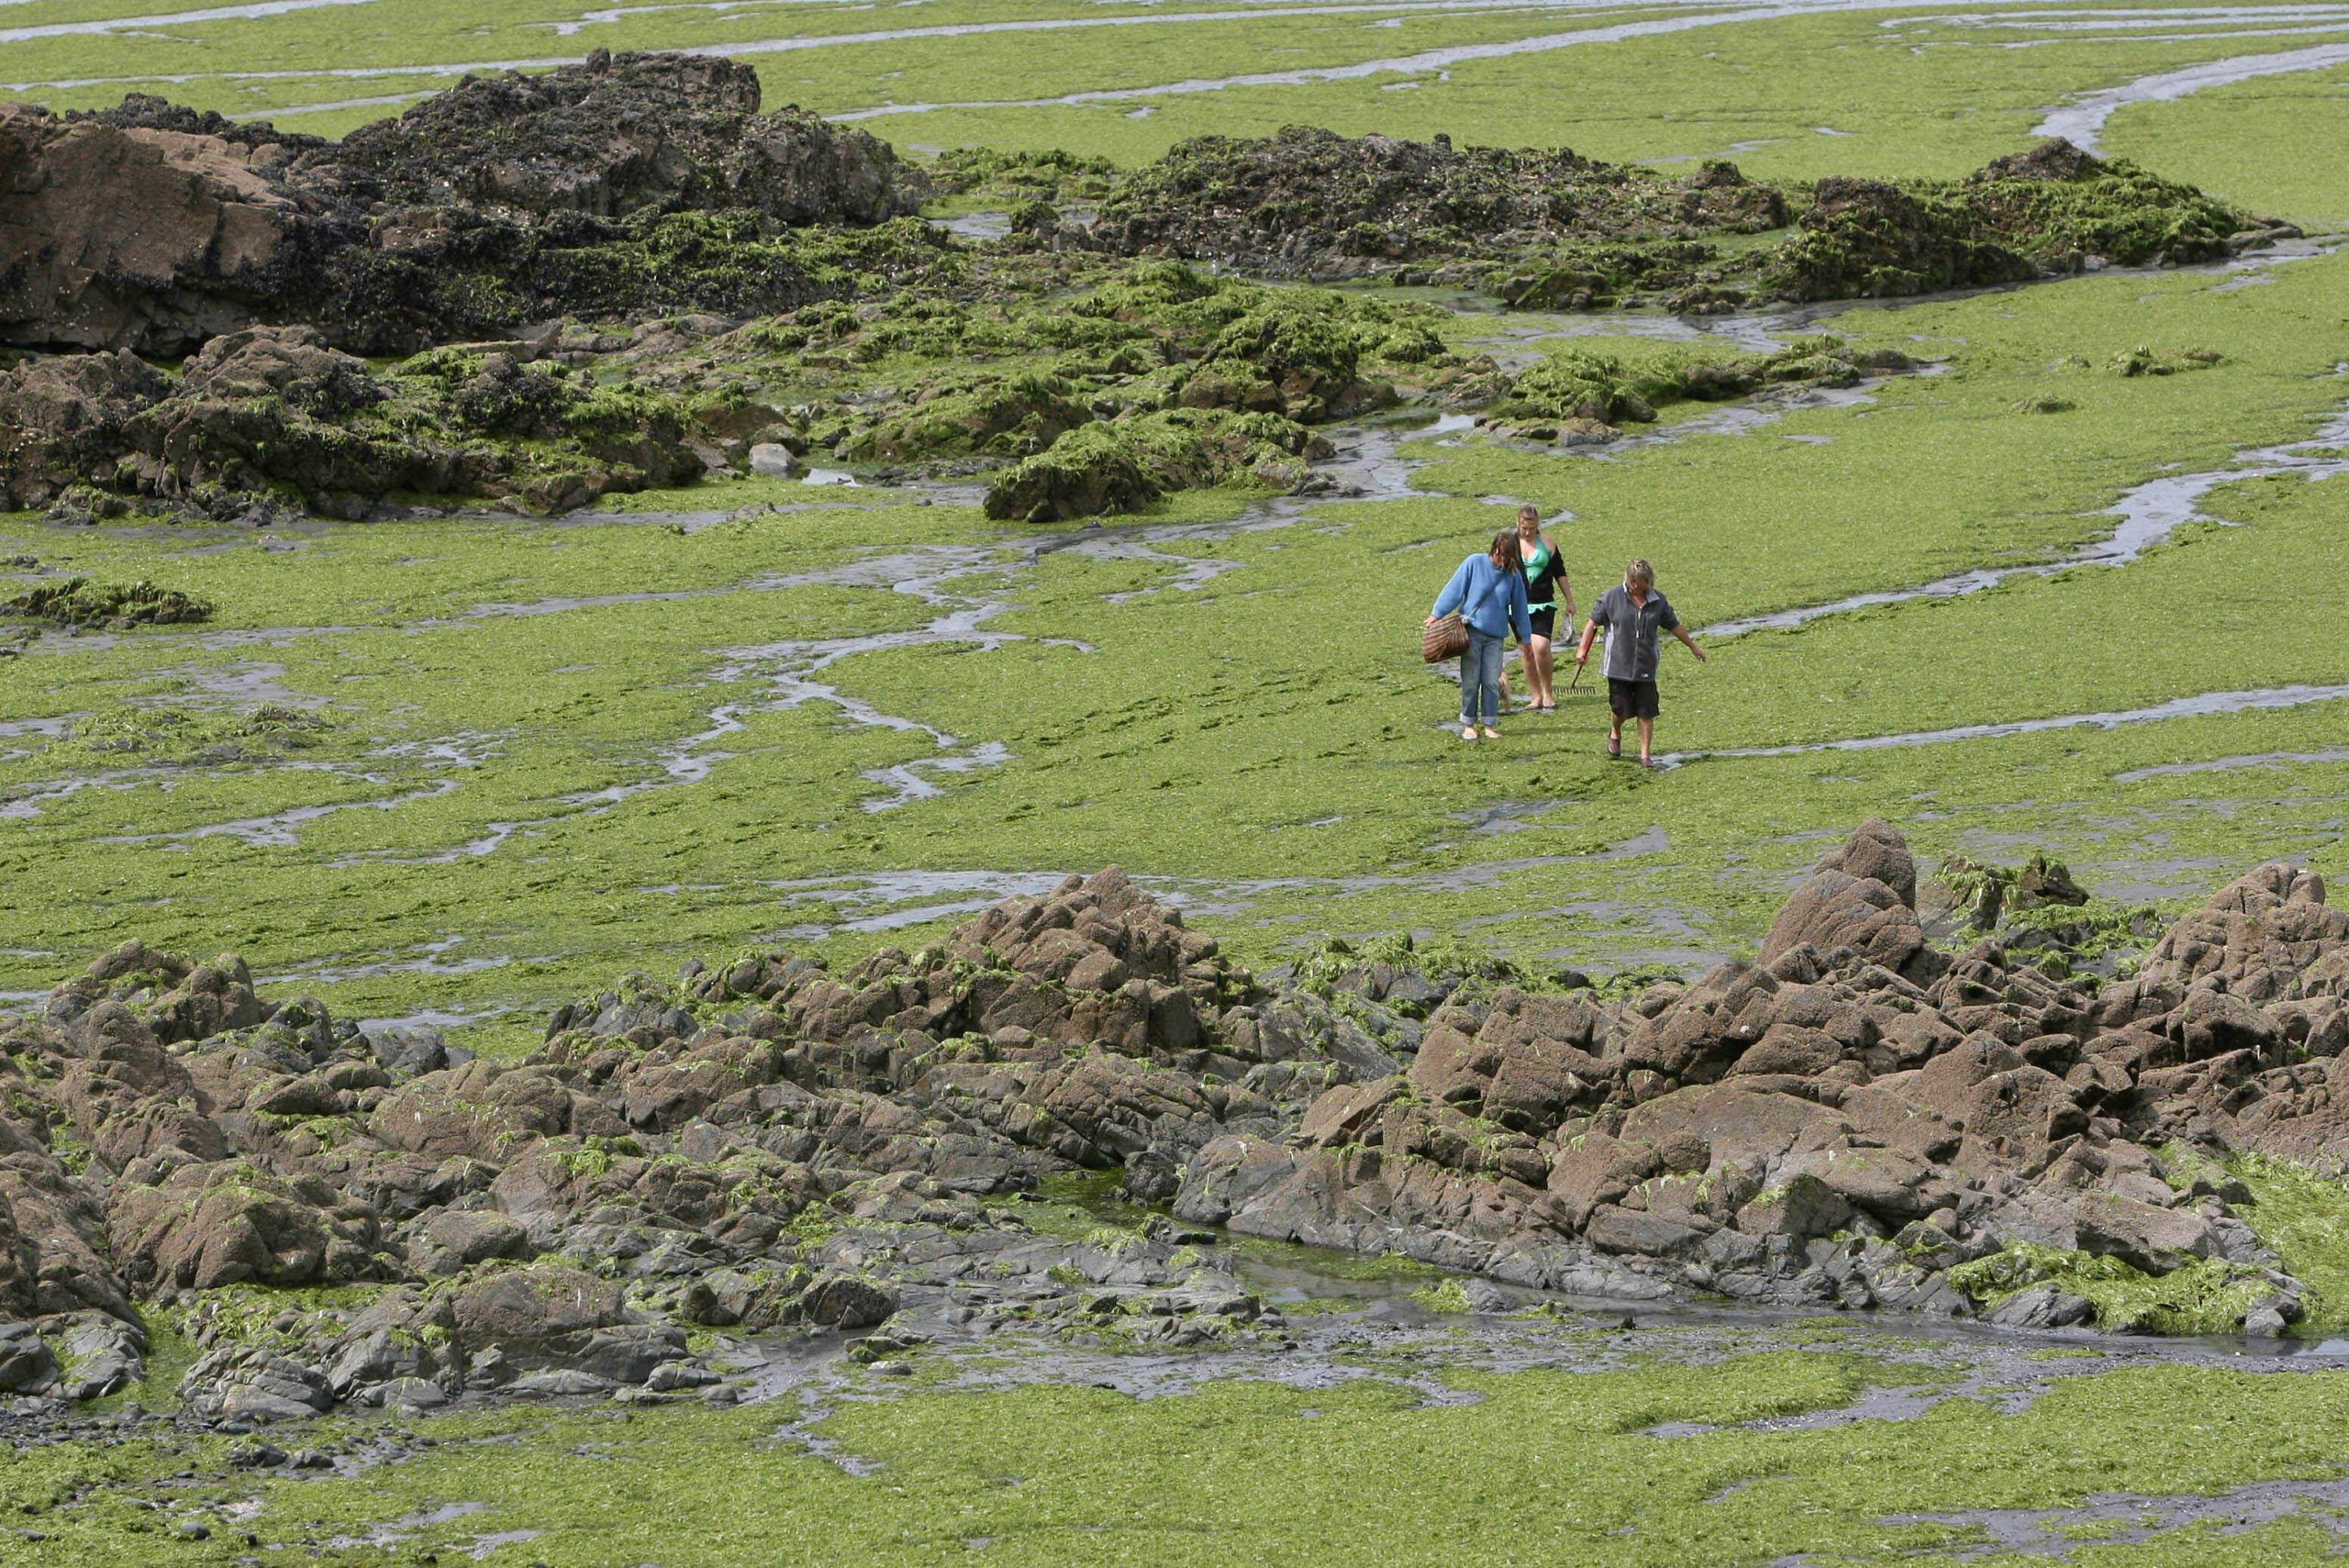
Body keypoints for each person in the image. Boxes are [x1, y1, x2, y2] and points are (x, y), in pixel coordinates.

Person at [1575, 558, 1704, 767]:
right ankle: (1615, 731)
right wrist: (1582, 650)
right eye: (1633, 580)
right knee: (1621, 709)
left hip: (1646, 665)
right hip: (1618, 664)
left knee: (1646, 711)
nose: (1637, 585)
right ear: (1628, 579)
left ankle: (1645, 756)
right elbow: (1592, 624)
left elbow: (1674, 626)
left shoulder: (1658, 601)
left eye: (1641, 581)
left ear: (1649, 581)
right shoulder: (1611, 597)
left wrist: (1693, 646)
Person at [1429, 529, 1531, 741]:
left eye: (1508, 557)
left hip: (1495, 637)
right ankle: (1468, 722)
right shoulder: (1474, 563)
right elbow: (1454, 589)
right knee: (1471, 680)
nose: (1502, 561)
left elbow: (1520, 608)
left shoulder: (1513, 575)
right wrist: (1436, 614)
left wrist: (1525, 639)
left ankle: (1489, 722)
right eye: (1500, 555)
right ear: (1494, 549)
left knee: (1492, 681)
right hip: (1471, 633)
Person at [1513, 504, 1574, 714]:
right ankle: (1535, 696)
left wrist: (1570, 600)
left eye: (1531, 528)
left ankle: (1548, 692)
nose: (1528, 532)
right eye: (1524, 528)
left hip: (1543, 603)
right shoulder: (1510, 545)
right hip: (1517, 606)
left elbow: (1560, 573)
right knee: (1527, 651)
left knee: (1540, 646)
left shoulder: (1547, 543)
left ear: (1538, 524)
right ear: (1517, 524)